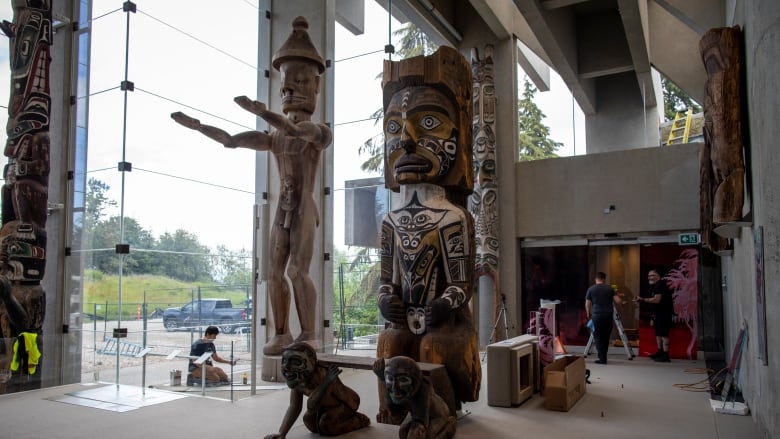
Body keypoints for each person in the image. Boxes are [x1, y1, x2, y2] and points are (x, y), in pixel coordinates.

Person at [171, 16, 331, 355]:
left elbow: (300, 132)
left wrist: (263, 112)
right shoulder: (274, 137)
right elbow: (231, 140)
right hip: (283, 210)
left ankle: (310, 332)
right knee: (273, 271)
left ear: (316, 86)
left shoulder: (320, 131)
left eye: (300, 82)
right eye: (286, 84)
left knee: (297, 270)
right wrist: (199, 126)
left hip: (304, 207)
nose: (289, 90)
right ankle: (282, 333)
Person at [375, 46, 480, 423]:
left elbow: (460, 284)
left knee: (434, 346)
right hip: (406, 316)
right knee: (390, 340)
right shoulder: (390, 220)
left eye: (430, 123)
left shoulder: (453, 217)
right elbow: (387, 279)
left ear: (461, 136)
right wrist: (386, 300)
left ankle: (441, 411)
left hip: (445, 322)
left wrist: (444, 306)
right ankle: (393, 407)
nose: (405, 140)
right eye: (393, 127)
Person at [265, 342, 370, 438]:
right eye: (284, 361)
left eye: (295, 362)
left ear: (311, 362)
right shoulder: (299, 378)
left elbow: (311, 406)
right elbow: (295, 407)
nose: (286, 367)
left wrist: (326, 383)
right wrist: (281, 434)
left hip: (346, 404)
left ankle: (359, 420)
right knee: (309, 421)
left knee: (326, 426)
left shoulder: (322, 375)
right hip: (323, 406)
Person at [373, 356, 456, 439]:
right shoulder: (410, 390)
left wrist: (416, 430)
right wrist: (382, 378)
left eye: (403, 380)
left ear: (415, 380)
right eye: (390, 379)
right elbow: (395, 411)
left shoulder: (423, 390)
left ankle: (450, 423)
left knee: (425, 436)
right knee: (403, 432)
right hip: (414, 412)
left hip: (437, 416)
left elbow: (419, 423)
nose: (395, 387)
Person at [585, 272, 624, 364]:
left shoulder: (591, 289)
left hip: (597, 315)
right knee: (606, 336)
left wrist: (588, 313)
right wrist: (620, 298)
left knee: (598, 336)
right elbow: (618, 301)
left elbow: (587, 303)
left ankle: (602, 358)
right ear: (604, 279)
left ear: (596, 279)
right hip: (608, 315)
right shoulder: (610, 288)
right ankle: (604, 357)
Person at [634, 269, 674, 362]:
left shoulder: (660, 285)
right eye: (649, 276)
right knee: (658, 334)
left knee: (664, 334)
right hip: (658, 313)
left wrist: (642, 299)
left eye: (652, 275)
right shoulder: (656, 286)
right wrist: (653, 316)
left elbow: (657, 300)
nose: (650, 277)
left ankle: (665, 355)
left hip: (664, 314)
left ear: (658, 276)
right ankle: (660, 352)